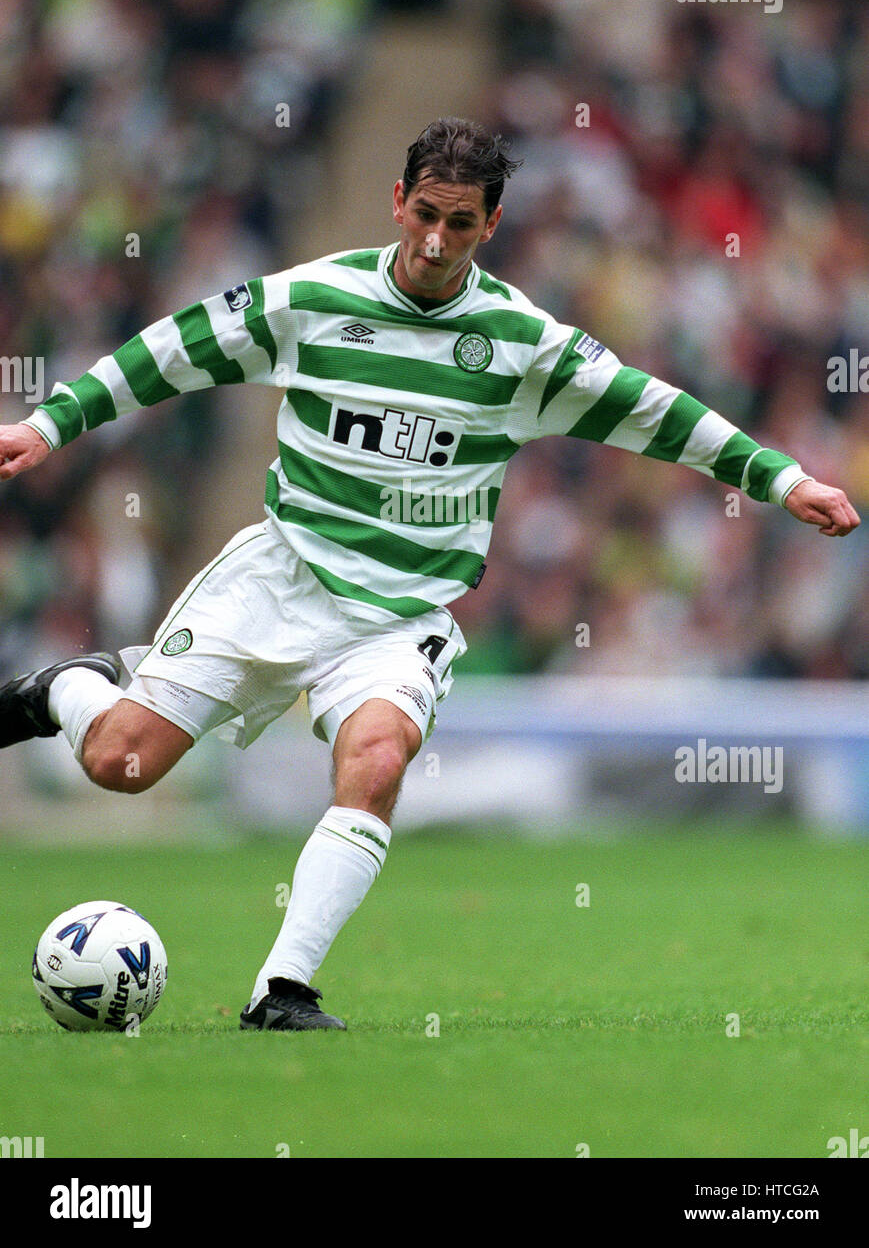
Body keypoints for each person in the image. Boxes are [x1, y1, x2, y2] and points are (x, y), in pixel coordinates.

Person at [0, 118, 860, 1030]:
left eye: (460, 223)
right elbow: (174, 350)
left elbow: (655, 410)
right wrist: (48, 425)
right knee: (121, 762)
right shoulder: (314, 297)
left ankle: (280, 991)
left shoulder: (521, 344)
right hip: (281, 576)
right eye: (423, 215)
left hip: (396, 615)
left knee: (376, 758)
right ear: (396, 202)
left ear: (491, 226)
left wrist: (782, 478)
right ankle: (66, 688)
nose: (435, 242)